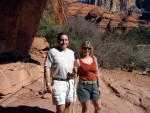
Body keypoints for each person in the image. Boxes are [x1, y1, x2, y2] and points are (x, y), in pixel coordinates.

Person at [44, 32, 75, 113]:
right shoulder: (52, 51)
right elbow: (47, 67)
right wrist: (48, 84)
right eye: (62, 40)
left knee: (68, 104)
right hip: (58, 82)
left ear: (68, 41)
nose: (64, 42)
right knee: (60, 109)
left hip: (70, 82)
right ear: (58, 41)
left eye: (66, 40)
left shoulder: (71, 52)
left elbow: (74, 66)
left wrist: (76, 69)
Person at [74, 41, 102, 113]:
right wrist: (74, 70)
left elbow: (97, 73)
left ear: (90, 49)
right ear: (81, 49)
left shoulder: (94, 59)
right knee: (86, 109)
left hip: (94, 85)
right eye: (85, 48)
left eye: (88, 48)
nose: (87, 50)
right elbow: (75, 74)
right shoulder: (78, 61)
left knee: (98, 107)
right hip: (83, 86)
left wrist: (99, 86)